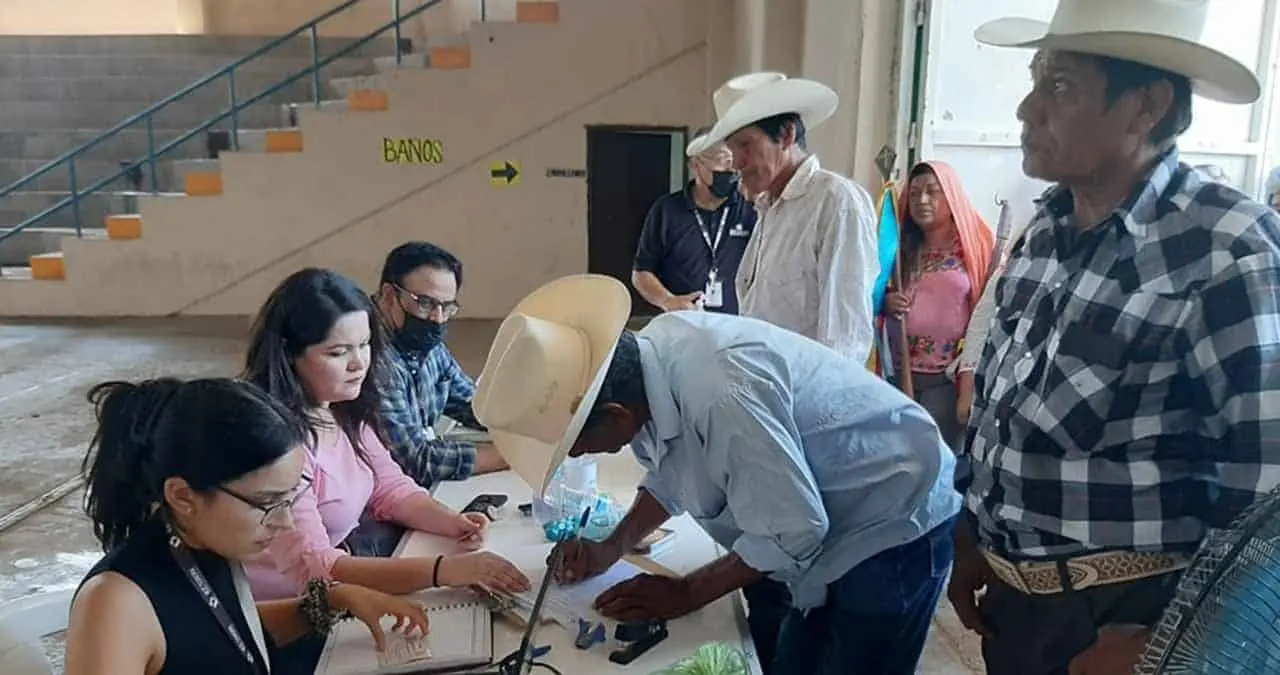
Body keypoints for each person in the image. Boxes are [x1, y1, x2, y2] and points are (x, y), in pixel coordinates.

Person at [949, 3, 1280, 674]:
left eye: (1060, 85)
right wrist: (973, 532)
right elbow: (1000, 410)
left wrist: (1171, 645)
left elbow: (1269, 499)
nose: (1027, 108)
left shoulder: (1226, 249)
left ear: (1147, 106)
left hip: (1130, 620)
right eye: (1036, 79)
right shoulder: (1045, 234)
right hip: (1017, 609)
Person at [472, 274, 961, 675]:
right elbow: (673, 472)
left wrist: (687, 592)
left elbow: (792, 529)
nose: (579, 456)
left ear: (617, 415)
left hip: (892, 517)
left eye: (577, 445)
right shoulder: (645, 367)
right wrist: (611, 547)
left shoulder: (721, 393)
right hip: (827, 518)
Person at [241, 269, 531, 667]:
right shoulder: (276, 443)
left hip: (337, 588)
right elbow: (318, 569)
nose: (359, 363)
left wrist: (452, 522)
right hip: (287, 618)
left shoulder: (341, 407)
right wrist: (445, 570)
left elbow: (390, 487)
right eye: (337, 352)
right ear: (290, 354)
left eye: (364, 345)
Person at [64, 377, 429, 675]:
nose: (285, 522)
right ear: (182, 496)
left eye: (290, 499)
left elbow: (219, 634)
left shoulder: (205, 543)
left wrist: (328, 602)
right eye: (267, 503)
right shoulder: (114, 604)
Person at [689, 72, 880, 363]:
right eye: (731, 149)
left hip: (808, 386)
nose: (736, 163)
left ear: (787, 135)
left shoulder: (835, 202)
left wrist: (822, 392)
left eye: (745, 145)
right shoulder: (768, 209)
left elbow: (845, 336)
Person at [372, 241, 509, 487]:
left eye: (447, 307)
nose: (437, 318)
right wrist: (510, 456)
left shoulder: (426, 344)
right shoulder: (368, 353)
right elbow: (416, 462)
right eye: (425, 303)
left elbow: (476, 406)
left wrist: (533, 424)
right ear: (390, 295)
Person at [882, 160, 994, 453]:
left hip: (947, 379)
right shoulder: (898, 248)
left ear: (951, 195)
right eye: (914, 193)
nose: (922, 200)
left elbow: (988, 309)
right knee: (896, 456)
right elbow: (872, 291)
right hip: (897, 373)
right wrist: (885, 301)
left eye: (932, 191)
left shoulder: (976, 247)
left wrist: (969, 380)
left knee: (935, 456)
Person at [632, 127, 756, 314]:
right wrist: (667, 300)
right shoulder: (667, 210)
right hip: (684, 321)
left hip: (738, 322)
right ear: (696, 164)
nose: (730, 169)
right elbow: (641, 272)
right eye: (722, 160)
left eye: (733, 160)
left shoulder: (751, 207)